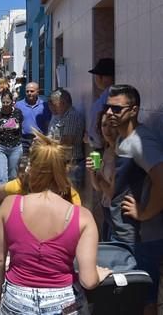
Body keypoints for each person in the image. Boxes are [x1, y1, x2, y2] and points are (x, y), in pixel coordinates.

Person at [0, 132, 110, 314]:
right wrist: (98, 274)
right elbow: (88, 280)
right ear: (66, 169)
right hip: (64, 304)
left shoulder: (9, 205)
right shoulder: (83, 217)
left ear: (31, 169)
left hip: (16, 298)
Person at [104, 85, 163, 314]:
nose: (110, 113)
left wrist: (145, 213)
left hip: (142, 238)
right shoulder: (122, 138)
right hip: (124, 234)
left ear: (134, 110)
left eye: (116, 109)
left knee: (143, 299)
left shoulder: (141, 141)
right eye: (108, 107)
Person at [85, 112, 117, 240]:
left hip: (117, 214)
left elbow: (111, 193)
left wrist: (98, 177)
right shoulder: (107, 150)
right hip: (106, 210)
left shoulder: (121, 154)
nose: (107, 129)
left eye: (112, 125)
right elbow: (98, 188)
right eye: (104, 125)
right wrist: (92, 172)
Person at [47, 88, 86, 191]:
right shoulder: (59, 116)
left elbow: (67, 141)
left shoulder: (72, 116)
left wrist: (47, 143)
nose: (53, 109)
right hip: (61, 163)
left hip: (72, 164)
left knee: (71, 194)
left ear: (62, 103)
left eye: (55, 105)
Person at [0, 90, 23, 187]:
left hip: (15, 147)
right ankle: (2, 199)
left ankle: (11, 197)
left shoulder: (17, 113)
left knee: (13, 176)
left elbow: (22, 127)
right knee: (1, 176)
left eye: (7, 102)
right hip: (1, 147)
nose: (5, 104)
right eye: (3, 102)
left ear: (12, 102)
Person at [15, 82, 52, 154]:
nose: (29, 93)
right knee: (24, 163)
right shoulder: (18, 105)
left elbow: (48, 123)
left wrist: (46, 138)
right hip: (23, 141)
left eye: (32, 91)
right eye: (27, 91)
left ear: (37, 92)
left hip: (39, 140)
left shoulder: (44, 105)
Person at [87, 58, 114, 152]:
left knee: (98, 166)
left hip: (103, 147)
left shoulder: (110, 96)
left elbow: (96, 122)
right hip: (100, 145)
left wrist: (91, 139)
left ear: (102, 77)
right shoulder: (106, 95)